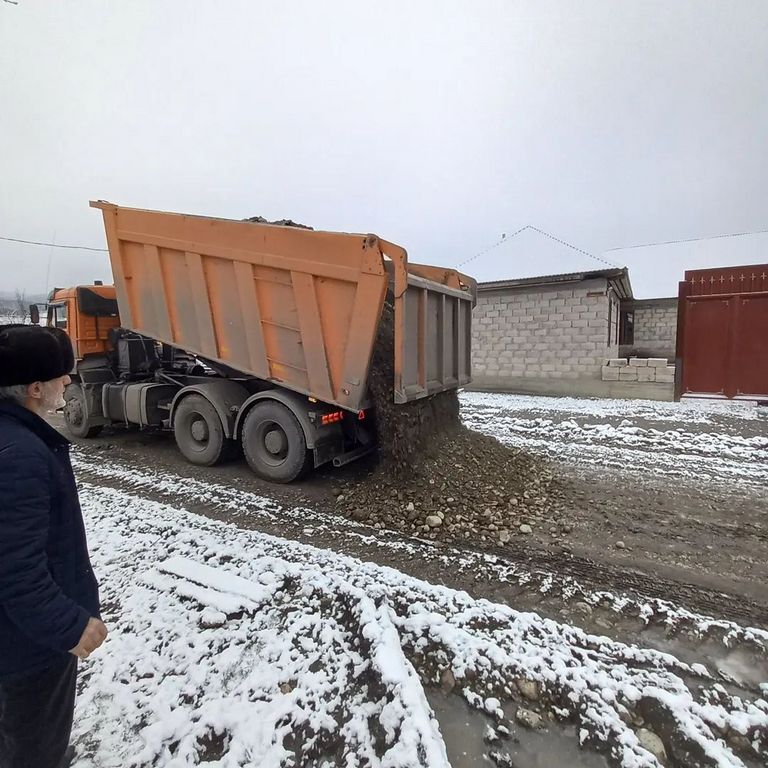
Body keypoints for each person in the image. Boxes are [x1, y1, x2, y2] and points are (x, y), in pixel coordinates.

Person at [0, 324, 106, 768]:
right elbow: (14, 568)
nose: (69, 380)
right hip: (29, 650)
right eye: (61, 374)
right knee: (34, 749)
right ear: (34, 387)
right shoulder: (19, 454)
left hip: (16, 641)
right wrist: (70, 626)